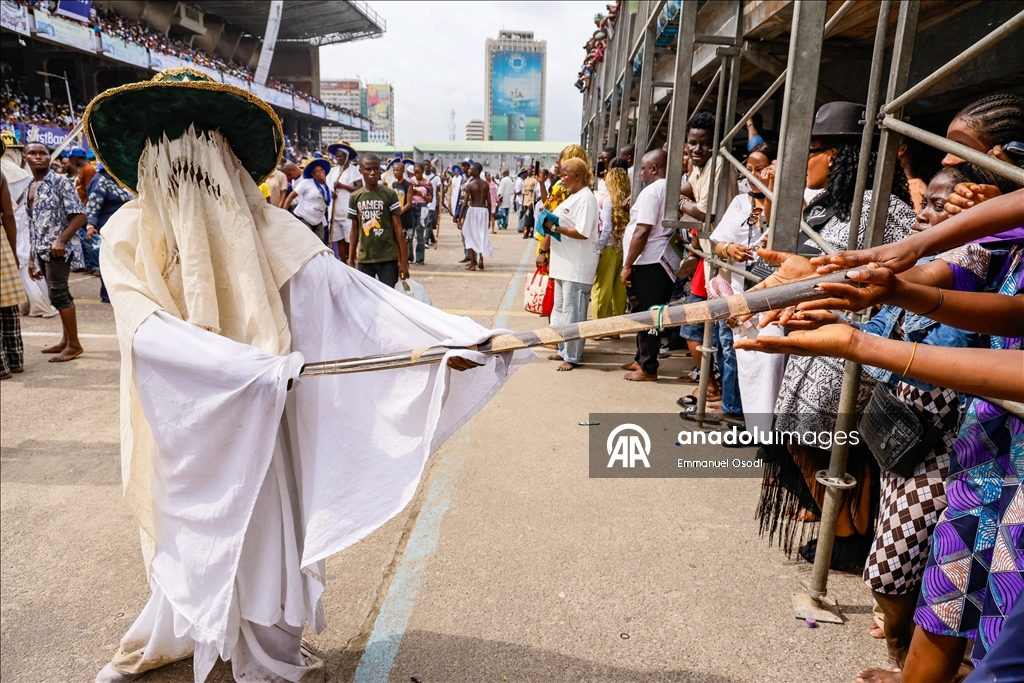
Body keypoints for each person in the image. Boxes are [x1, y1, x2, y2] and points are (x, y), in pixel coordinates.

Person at [83, 67, 530, 683]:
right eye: (176, 160)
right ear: (151, 162)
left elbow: (355, 303)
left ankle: (266, 659)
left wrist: (450, 341)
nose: (194, 180)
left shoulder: (270, 226)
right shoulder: (126, 232)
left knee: (265, 542)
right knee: (190, 538)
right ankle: (187, 624)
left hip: (266, 432)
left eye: (206, 158)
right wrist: (251, 373)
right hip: (184, 430)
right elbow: (147, 334)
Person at [751, 101, 917, 571]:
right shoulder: (835, 203)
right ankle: (839, 529)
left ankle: (847, 537)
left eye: (814, 150)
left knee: (831, 444)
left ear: (841, 155)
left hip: (852, 344)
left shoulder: (876, 205)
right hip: (818, 339)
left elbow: (875, 279)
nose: (804, 161)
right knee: (803, 439)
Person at [24, 141, 86, 363]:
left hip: (59, 250)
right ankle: (65, 340)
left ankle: (74, 345)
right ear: (25, 158)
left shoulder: (60, 182)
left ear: (50, 158)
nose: (39, 156)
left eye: (43, 153)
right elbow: (34, 225)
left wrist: (61, 240)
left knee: (58, 293)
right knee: (57, 292)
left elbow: (79, 215)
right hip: (41, 249)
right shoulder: (30, 186)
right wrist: (31, 259)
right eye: (33, 153)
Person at [620, 149, 673, 381]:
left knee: (649, 314)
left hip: (649, 261)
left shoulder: (653, 191)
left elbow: (643, 230)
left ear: (654, 169)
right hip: (654, 260)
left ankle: (648, 367)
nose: (640, 173)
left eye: (643, 168)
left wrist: (627, 264)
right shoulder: (666, 188)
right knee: (642, 311)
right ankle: (640, 357)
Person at [676, 110, 719, 399]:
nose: (697, 149)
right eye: (692, 143)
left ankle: (714, 388)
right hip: (706, 257)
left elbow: (705, 212)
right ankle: (711, 385)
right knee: (697, 327)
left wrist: (679, 203)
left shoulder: (716, 166)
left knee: (698, 329)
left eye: (703, 143)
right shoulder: (698, 167)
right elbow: (687, 188)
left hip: (718, 259)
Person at [542, 157, 599, 371]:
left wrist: (554, 229)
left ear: (578, 175)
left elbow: (583, 232)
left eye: (565, 175)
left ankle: (573, 356)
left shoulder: (586, 198)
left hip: (576, 266)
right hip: (564, 265)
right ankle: (564, 349)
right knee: (562, 310)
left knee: (574, 312)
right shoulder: (573, 197)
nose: (561, 178)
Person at [1, 130, 56, 318]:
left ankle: (37, 303)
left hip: (8, 221)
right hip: (22, 219)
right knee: (25, 260)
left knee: (19, 262)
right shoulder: (22, 173)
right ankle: (31, 303)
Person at [348, 153, 408, 287]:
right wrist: (351, 260)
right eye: (368, 169)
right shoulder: (355, 197)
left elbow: (398, 228)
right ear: (361, 171)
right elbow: (354, 230)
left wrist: (403, 261)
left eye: (376, 169)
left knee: (388, 298)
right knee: (365, 299)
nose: (372, 173)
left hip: (388, 258)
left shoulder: (389, 194)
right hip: (365, 259)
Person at [84, 164, 134, 303]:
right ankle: (108, 296)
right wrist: (90, 225)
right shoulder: (100, 181)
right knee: (109, 263)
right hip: (106, 229)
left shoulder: (116, 181)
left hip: (121, 229)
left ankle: (116, 295)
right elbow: (93, 204)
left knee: (120, 263)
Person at [591, 163, 629, 322]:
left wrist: (597, 249)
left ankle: (600, 326)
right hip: (623, 249)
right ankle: (616, 326)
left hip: (608, 247)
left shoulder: (608, 200)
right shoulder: (629, 199)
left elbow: (606, 228)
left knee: (601, 288)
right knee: (619, 290)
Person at [1, 152, 27, 379]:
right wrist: (11, 249)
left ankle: (1, 367)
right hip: (1, 242)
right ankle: (15, 360)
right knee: (7, 304)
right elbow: (8, 215)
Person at [325, 140, 361, 260]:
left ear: (347, 157)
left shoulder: (354, 171)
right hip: (334, 212)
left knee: (349, 239)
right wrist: (331, 193)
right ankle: (343, 261)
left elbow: (359, 188)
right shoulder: (332, 171)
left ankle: (351, 259)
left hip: (348, 212)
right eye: (337, 156)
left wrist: (343, 186)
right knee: (338, 239)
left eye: (341, 156)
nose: (338, 159)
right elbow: (327, 187)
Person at [284, 158, 332, 244]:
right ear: (312, 175)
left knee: (320, 244)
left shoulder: (326, 184)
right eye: (317, 171)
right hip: (304, 218)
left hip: (318, 220)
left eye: (321, 170)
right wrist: (284, 212)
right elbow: (291, 196)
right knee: (308, 243)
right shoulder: (306, 183)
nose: (321, 172)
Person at [458, 162, 493, 271]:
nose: (469, 170)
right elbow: (489, 202)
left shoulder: (470, 185)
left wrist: (459, 218)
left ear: (477, 171)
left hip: (473, 211)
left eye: (471, 169)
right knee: (481, 235)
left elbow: (464, 203)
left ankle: (473, 264)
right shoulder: (485, 185)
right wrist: (489, 218)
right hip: (484, 211)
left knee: (470, 235)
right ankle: (481, 258)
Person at [408, 163, 433, 265]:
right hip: (412, 207)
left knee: (420, 234)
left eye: (419, 172)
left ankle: (420, 258)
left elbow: (430, 198)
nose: (417, 174)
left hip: (422, 208)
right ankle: (409, 257)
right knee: (409, 233)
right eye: (415, 172)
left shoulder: (427, 183)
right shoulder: (410, 182)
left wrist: (421, 194)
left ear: (422, 171)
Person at [390, 158, 415, 262]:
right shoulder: (394, 185)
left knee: (405, 241)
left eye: (398, 170)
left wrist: (399, 212)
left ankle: (405, 260)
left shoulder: (408, 185)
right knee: (396, 239)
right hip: (396, 216)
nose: (396, 172)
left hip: (405, 216)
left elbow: (409, 203)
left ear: (403, 171)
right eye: (394, 170)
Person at [423, 160, 441, 246]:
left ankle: (425, 241)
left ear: (430, 166)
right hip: (422, 203)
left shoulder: (436, 178)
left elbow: (440, 186)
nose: (426, 167)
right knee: (425, 222)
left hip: (432, 202)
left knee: (429, 222)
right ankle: (432, 239)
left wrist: (441, 194)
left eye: (427, 165)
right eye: (424, 165)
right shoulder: (421, 176)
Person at [521, 168, 539, 239]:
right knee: (526, 217)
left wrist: (532, 201)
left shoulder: (535, 180)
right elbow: (523, 192)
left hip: (531, 200)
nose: (528, 171)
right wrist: (523, 202)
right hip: (526, 199)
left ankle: (529, 232)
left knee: (530, 217)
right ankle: (526, 232)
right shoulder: (525, 180)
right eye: (528, 170)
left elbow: (535, 192)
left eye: (530, 170)